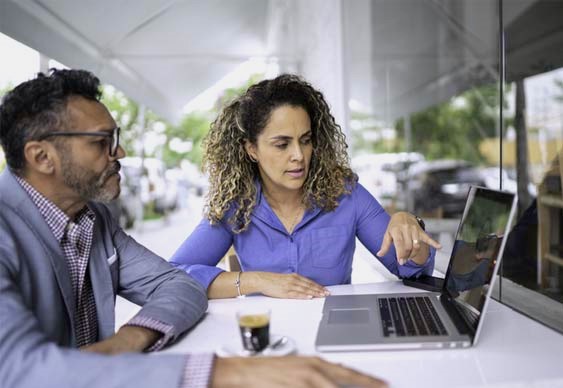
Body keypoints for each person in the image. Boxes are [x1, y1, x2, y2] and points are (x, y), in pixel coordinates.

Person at [0, 69, 387, 388]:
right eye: (103, 142)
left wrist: (126, 342)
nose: (120, 152)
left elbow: (178, 285)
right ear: (41, 156)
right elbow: (20, 372)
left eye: (304, 141)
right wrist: (220, 372)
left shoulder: (93, 220)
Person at [171, 74, 441, 299]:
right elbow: (173, 276)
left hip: (336, 333)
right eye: (282, 144)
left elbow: (411, 271)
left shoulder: (346, 194)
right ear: (252, 149)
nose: (298, 155)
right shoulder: (236, 205)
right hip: (270, 340)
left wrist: (409, 228)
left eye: (306, 140)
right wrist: (258, 281)